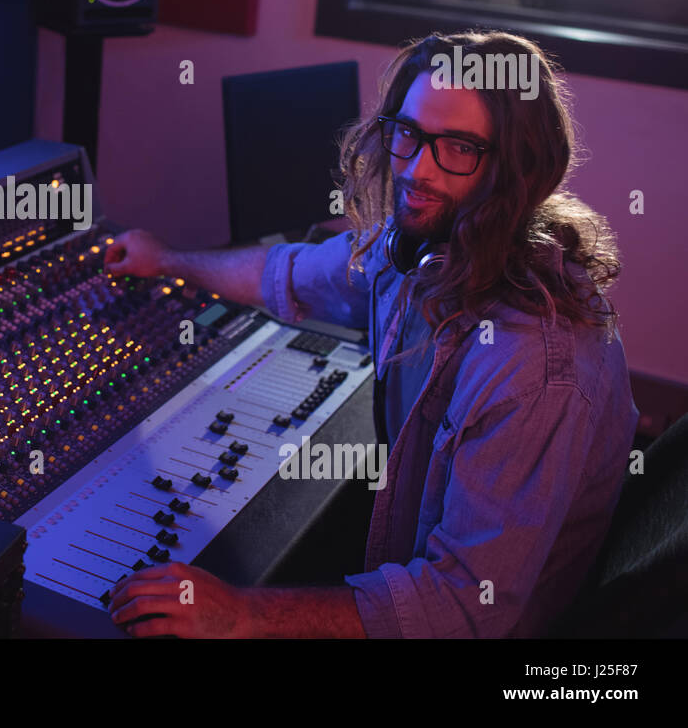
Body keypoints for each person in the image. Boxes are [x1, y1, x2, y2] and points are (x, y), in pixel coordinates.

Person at [103, 31, 638, 637]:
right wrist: (169, 259)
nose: (416, 169)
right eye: (408, 133)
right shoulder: (421, 248)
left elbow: (462, 607)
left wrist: (240, 614)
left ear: (518, 169)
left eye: (459, 147)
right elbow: (289, 274)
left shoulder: (535, 367)